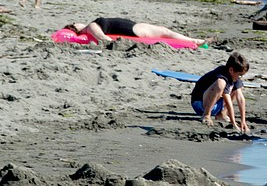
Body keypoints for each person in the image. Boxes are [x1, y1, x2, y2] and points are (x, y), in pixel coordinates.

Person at [190, 52, 250, 132]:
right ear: (231, 70)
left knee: (238, 88)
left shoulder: (234, 77)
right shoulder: (222, 75)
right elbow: (228, 102)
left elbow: (240, 99)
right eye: (239, 75)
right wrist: (234, 123)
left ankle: (221, 114)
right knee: (220, 84)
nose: (240, 77)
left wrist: (243, 121)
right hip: (200, 103)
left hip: (216, 106)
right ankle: (206, 114)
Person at [65, 18, 206, 46]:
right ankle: (193, 41)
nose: (75, 22)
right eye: (73, 24)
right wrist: (117, 44)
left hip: (132, 27)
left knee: (164, 31)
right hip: (132, 30)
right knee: (164, 31)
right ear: (76, 28)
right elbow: (102, 37)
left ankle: (192, 40)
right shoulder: (90, 27)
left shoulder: (90, 27)